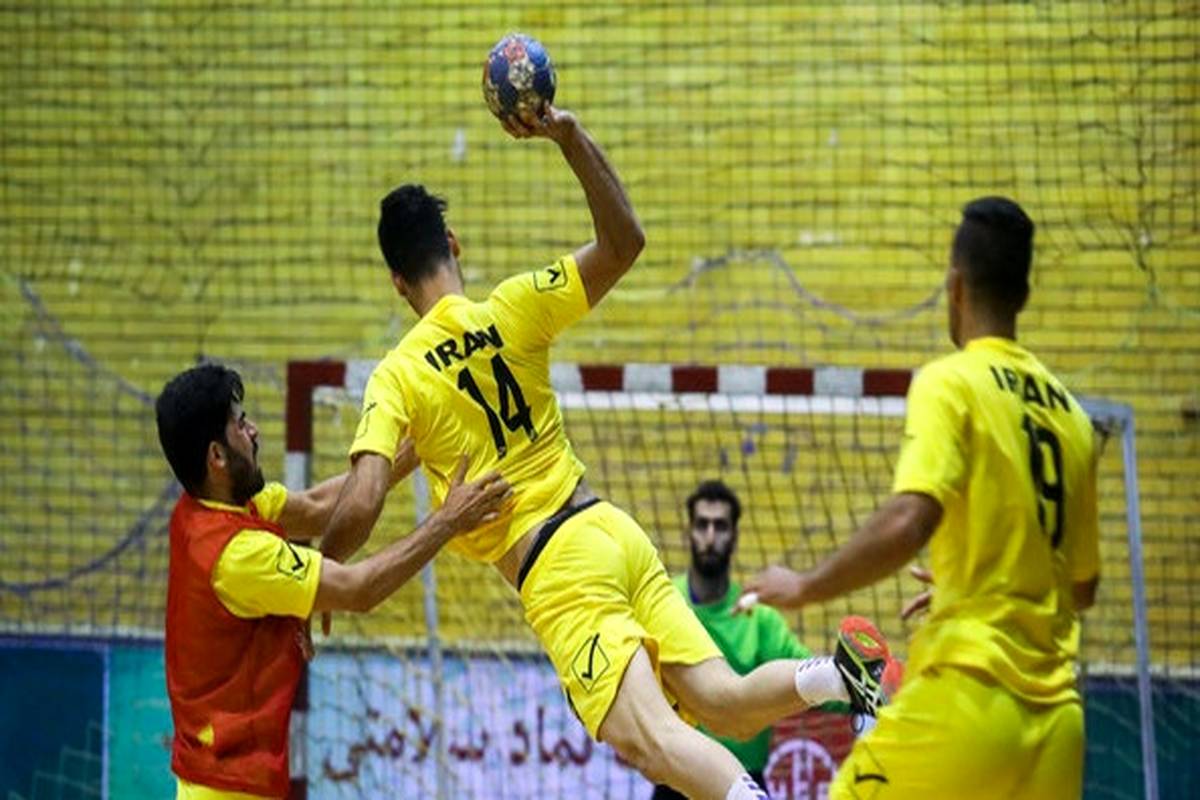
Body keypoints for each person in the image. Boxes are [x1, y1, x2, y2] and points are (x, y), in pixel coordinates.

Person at [318, 103, 898, 800]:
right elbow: (624, 242)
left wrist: (322, 575)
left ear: (395, 280)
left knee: (655, 742)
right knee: (724, 699)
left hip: (559, 571)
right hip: (610, 529)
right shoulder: (514, 307)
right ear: (454, 244)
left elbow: (361, 501)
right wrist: (568, 135)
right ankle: (838, 675)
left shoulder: (399, 376)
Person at [743, 197, 1100, 800]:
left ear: (955, 286)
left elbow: (909, 521)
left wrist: (804, 586)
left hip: (969, 698)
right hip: (1060, 728)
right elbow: (1082, 588)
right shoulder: (1074, 417)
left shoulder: (950, 381)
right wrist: (979, 579)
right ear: (1024, 293)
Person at [156, 363, 510, 800]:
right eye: (241, 424)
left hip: (218, 781)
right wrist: (448, 520)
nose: (254, 430)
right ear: (217, 456)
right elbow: (360, 589)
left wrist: (415, 447)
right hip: (228, 788)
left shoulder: (206, 509)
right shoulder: (238, 555)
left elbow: (320, 506)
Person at [652, 480, 847, 799]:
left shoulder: (759, 619)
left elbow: (812, 678)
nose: (710, 536)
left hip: (745, 781)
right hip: (676, 784)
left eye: (720, 526)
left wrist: (860, 687)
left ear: (735, 536)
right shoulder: (663, 601)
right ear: (689, 533)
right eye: (702, 525)